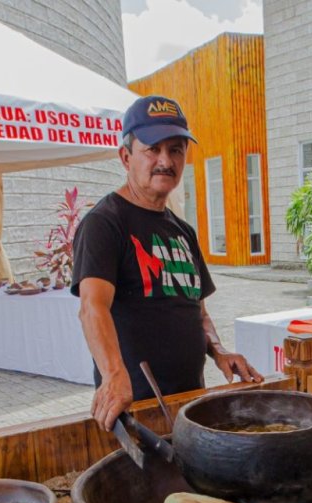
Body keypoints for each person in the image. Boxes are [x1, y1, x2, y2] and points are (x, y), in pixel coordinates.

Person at [73, 95, 261, 431]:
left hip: (189, 404)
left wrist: (219, 351)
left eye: (176, 150)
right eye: (153, 149)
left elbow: (197, 310)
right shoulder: (105, 223)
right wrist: (113, 374)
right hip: (138, 409)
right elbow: (92, 307)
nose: (166, 160)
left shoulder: (183, 231)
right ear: (126, 157)